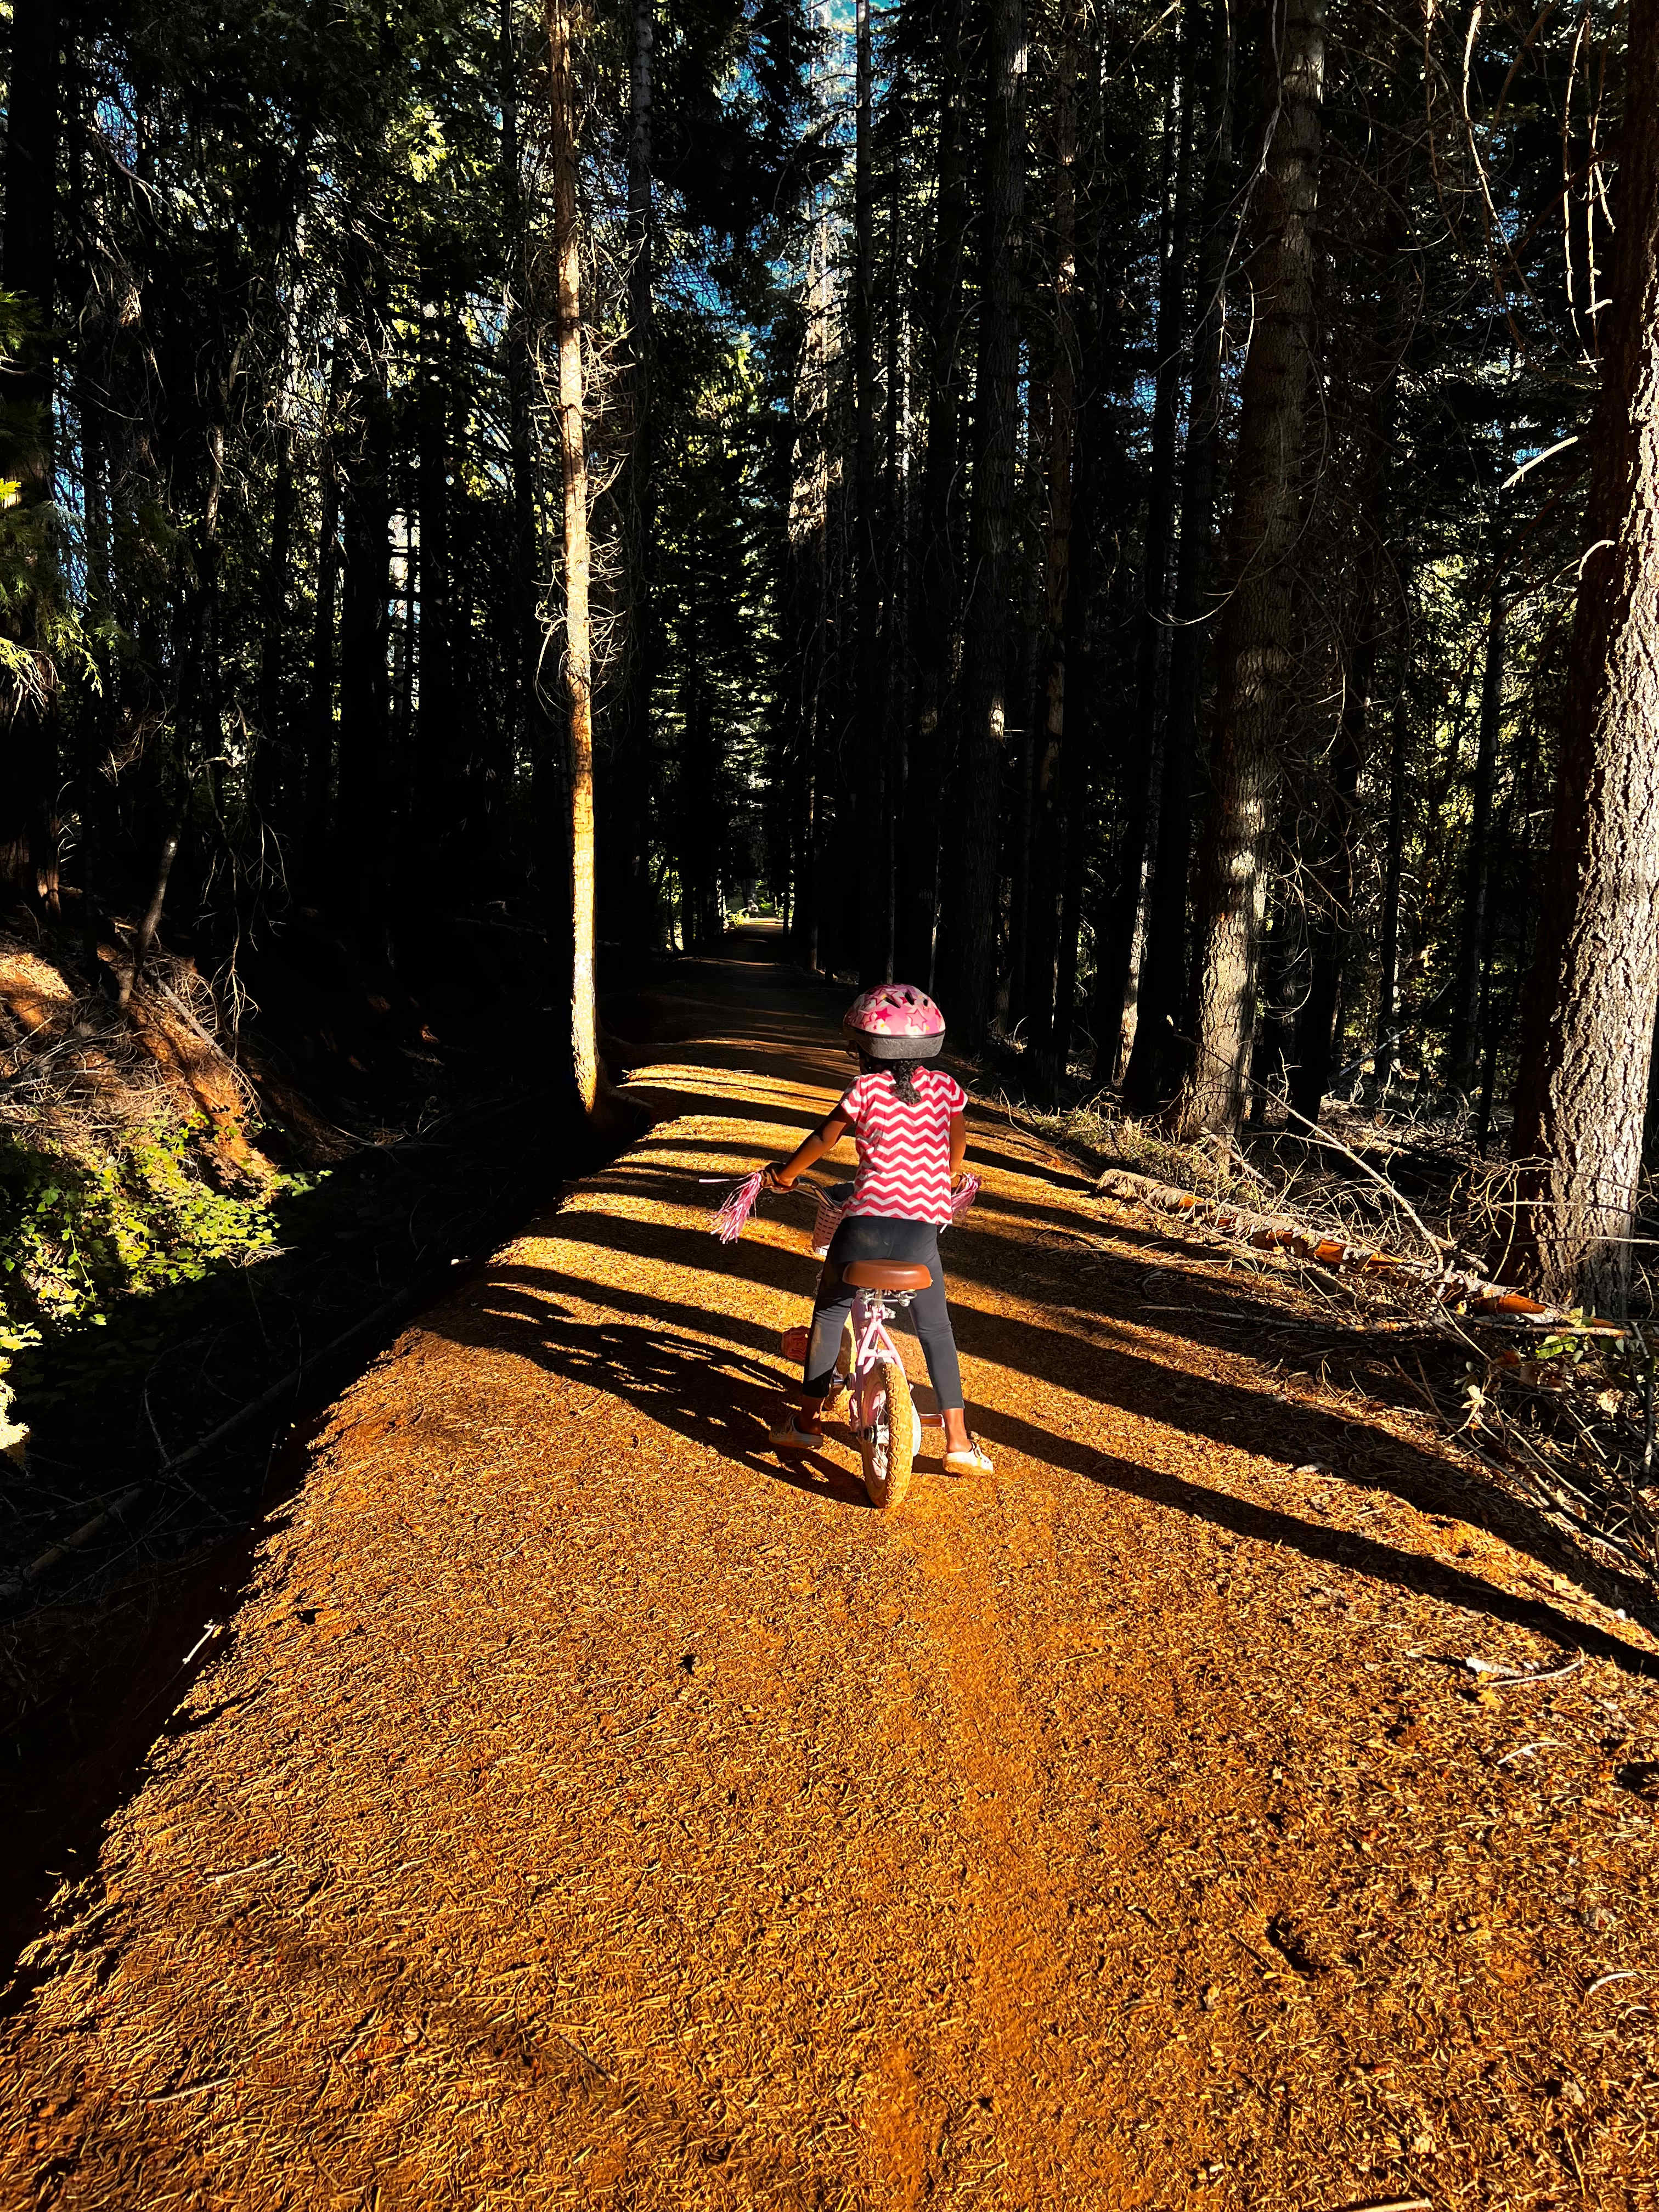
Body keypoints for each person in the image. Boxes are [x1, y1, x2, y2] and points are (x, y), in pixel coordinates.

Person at [764, 984, 993, 1476]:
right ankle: (958, 1441)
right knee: (936, 1329)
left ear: (864, 1048)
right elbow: (956, 1151)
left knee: (830, 1313)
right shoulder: (946, 1089)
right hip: (921, 1231)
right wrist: (945, 1177)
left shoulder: (864, 1090)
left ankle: (807, 1422)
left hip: (865, 1225)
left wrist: (785, 1175)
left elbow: (824, 1138)